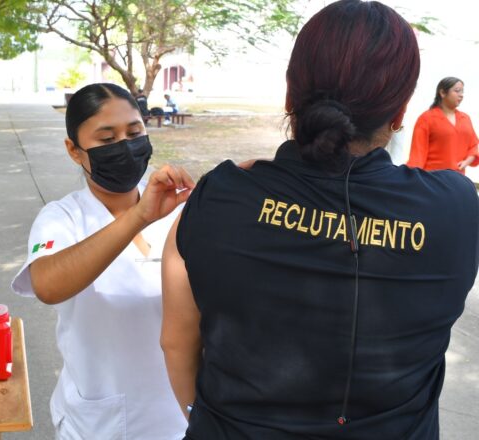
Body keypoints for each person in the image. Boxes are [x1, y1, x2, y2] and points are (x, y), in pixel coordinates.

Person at [161, 1, 478, 438]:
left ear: (290, 97)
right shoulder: (457, 207)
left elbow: (176, 342)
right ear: (401, 113)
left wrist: (203, 420)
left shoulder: (220, 196)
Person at [11, 82, 194, 439]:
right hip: (101, 423)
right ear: (74, 150)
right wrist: (139, 216)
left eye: (134, 133)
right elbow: (47, 285)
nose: (124, 146)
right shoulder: (62, 217)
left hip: (179, 416)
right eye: (107, 139)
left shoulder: (179, 207)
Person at [407, 77, 479, 173]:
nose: (461, 95)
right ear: (442, 93)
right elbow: (417, 153)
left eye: (462, 91)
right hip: (432, 177)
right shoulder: (426, 118)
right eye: (457, 91)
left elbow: (473, 146)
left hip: (457, 177)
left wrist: (466, 162)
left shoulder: (465, 119)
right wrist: (414, 176)